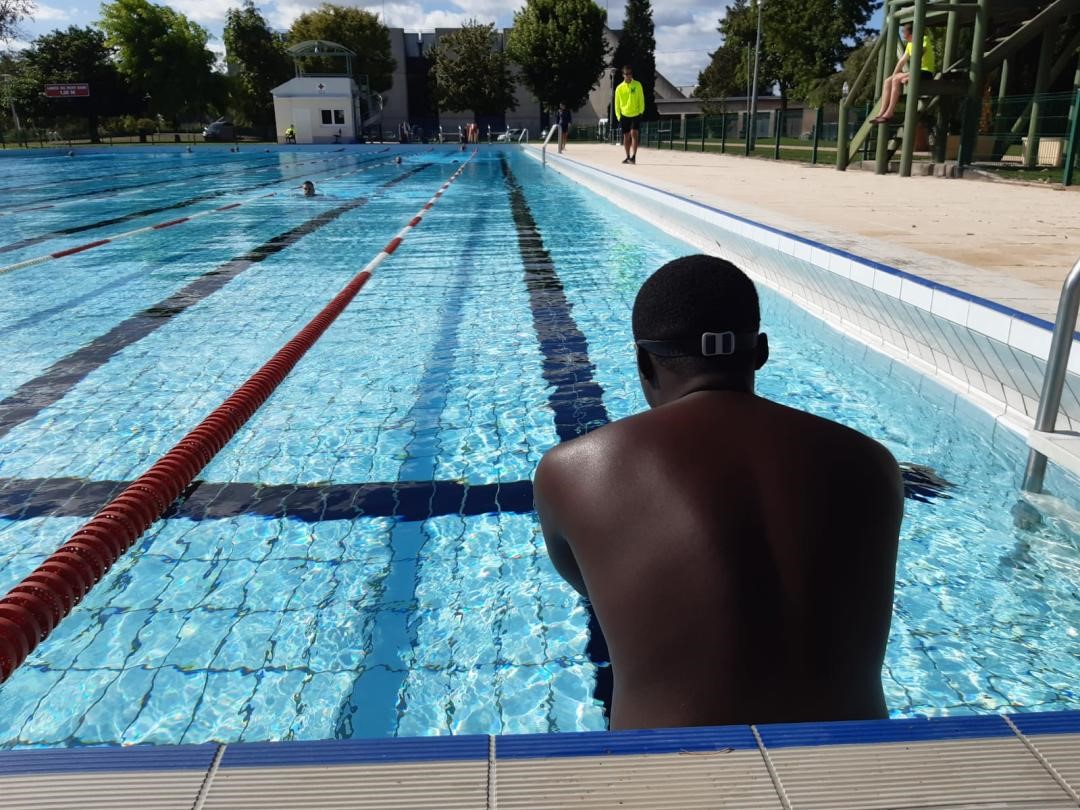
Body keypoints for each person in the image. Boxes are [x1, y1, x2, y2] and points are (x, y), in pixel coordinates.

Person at [533, 255, 904, 731]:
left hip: (664, 774)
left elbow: (595, 588)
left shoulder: (572, 472)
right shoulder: (871, 463)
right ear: (761, 353)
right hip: (863, 768)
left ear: (645, 361)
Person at [871, 23, 935, 124]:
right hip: (915, 71)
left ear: (909, 33)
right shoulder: (909, 44)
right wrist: (894, 75)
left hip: (925, 72)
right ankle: (881, 112)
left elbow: (921, 52)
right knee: (888, 81)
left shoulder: (923, 39)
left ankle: (890, 112)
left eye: (903, 32)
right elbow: (902, 61)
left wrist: (903, 76)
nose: (902, 35)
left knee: (896, 79)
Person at [615, 65, 645, 164]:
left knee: (634, 134)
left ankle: (634, 156)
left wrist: (641, 111)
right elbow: (617, 103)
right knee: (626, 136)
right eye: (626, 74)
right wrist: (618, 116)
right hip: (624, 115)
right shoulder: (619, 88)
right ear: (623, 75)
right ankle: (627, 156)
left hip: (636, 114)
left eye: (630, 74)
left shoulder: (637, 85)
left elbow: (641, 99)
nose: (628, 76)